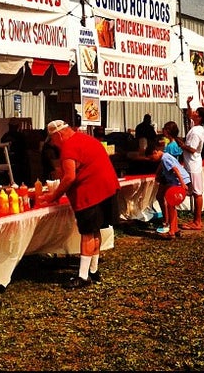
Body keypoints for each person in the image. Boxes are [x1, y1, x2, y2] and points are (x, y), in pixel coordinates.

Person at [41, 120, 121, 289]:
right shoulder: (88, 139)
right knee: (96, 229)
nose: (54, 144)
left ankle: (83, 276)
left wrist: (54, 196)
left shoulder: (68, 148)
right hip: (107, 188)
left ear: (58, 135)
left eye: (53, 140)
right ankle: (93, 269)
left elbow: (70, 177)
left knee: (87, 233)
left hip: (90, 193)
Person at [177, 97, 204, 231]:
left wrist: (181, 145)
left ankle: (197, 221)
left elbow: (193, 149)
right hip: (190, 163)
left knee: (197, 193)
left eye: (196, 112)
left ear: (200, 117)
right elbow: (189, 114)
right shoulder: (196, 127)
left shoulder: (197, 132)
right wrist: (188, 103)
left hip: (193, 163)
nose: (193, 113)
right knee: (195, 192)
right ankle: (195, 220)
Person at [146, 142, 190, 240]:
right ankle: (175, 229)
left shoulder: (165, 158)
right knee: (172, 206)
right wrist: (157, 174)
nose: (152, 160)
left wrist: (182, 183)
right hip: (177, 181)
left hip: (178, 182)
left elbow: (175, 170)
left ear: (155, 152)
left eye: (152, 158)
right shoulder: (165, 157)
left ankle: (172, 231)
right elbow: (163, 167)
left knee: (171, 205)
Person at [154, 121, 184, 233]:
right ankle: (169, 223)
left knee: (162, 197)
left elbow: (165, 162)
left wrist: (158, 173)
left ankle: (166, 222)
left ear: (167, 131)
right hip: (170, 175)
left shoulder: (170, 147)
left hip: (167, 174)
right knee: (165, 198)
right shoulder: (176, 144)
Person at [1, 119, 29, 185]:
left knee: (18, 181)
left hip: (18, 163)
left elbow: (24, 150)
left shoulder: (21, 137)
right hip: (10, 162)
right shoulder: (5, 136)